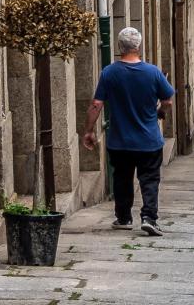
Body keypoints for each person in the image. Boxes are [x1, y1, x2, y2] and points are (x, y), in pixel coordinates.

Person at [83, 27, 175, 235]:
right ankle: (149, 217)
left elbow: (97, 104)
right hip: (149, 139)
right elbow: (167, 100)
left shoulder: (109, 73)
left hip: (120, 140)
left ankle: (123, 217)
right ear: (138, 47)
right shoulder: (153, 72)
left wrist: (88, 131)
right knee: (150, 178)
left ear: (119, 47)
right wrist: (161, 112)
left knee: (122, 178)